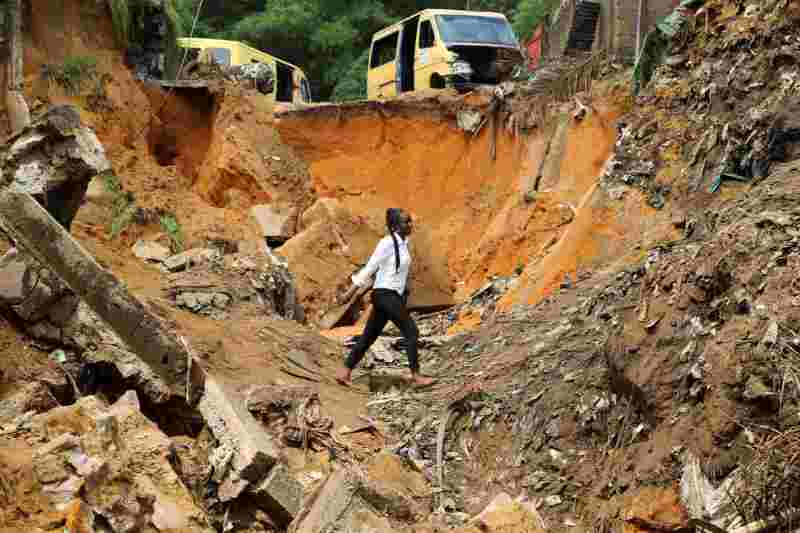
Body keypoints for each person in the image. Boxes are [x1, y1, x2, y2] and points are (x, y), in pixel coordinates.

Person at [335, 208, 435, 387]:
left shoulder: (403, 243)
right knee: (411, 331)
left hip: (389, 295)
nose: (410, 224)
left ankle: (344, 372)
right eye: (406, 222)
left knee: (369, 336)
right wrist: (349, 293)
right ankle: (416, 376)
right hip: (385, 295)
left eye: (410, 220)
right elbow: (371, 267)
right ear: (396, 226)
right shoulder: (387, 243)